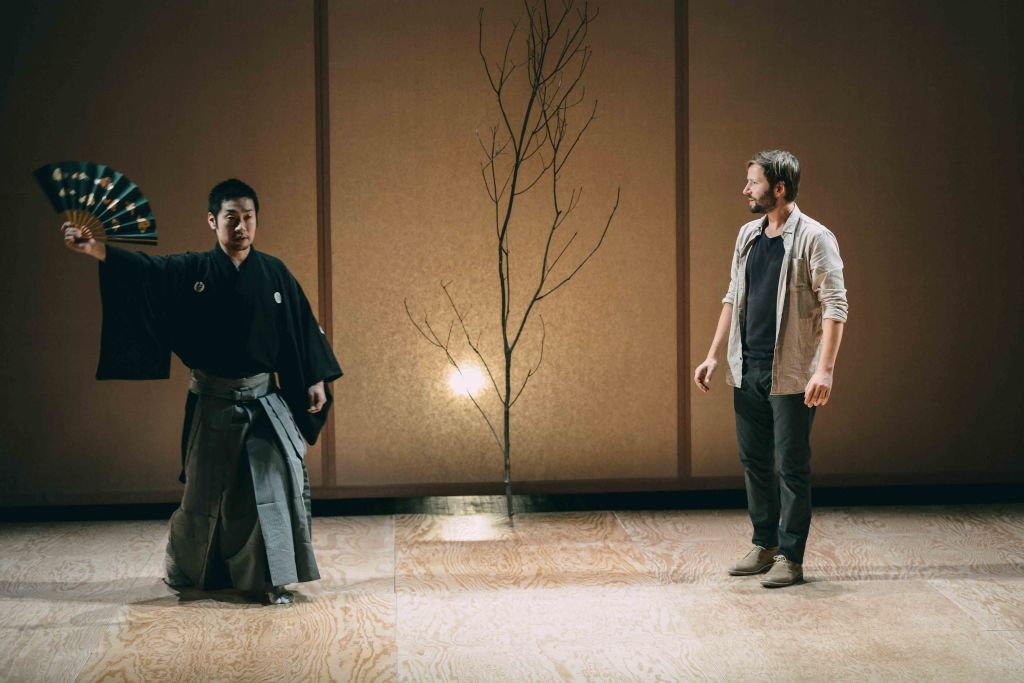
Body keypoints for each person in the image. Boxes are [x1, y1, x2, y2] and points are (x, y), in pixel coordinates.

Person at [62, 178, 342, 604]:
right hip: (214, 402)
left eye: (248, 217)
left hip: (265, 404)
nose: (241, 226)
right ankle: (196, 571)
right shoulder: (192, 270)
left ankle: (266, 579)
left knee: (269, 490)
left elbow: (302, 327)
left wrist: (314, 379)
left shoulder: (275, 273)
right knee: (203, 495)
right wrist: (95, 248)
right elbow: (145, 271)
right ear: (213, 221)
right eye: (231, 218)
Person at [693, 150, 847, 587]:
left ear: (779, 188)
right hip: (747, 368)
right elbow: (733, 296)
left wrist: (825, 370)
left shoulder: (815, 238)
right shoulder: (747, 235)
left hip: (792, 373)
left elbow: (835, 305)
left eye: (754, 182)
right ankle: (765, 543)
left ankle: (791, 558)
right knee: (754, 461)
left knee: (791, 466)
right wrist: (713, 354)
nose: (746, 189)